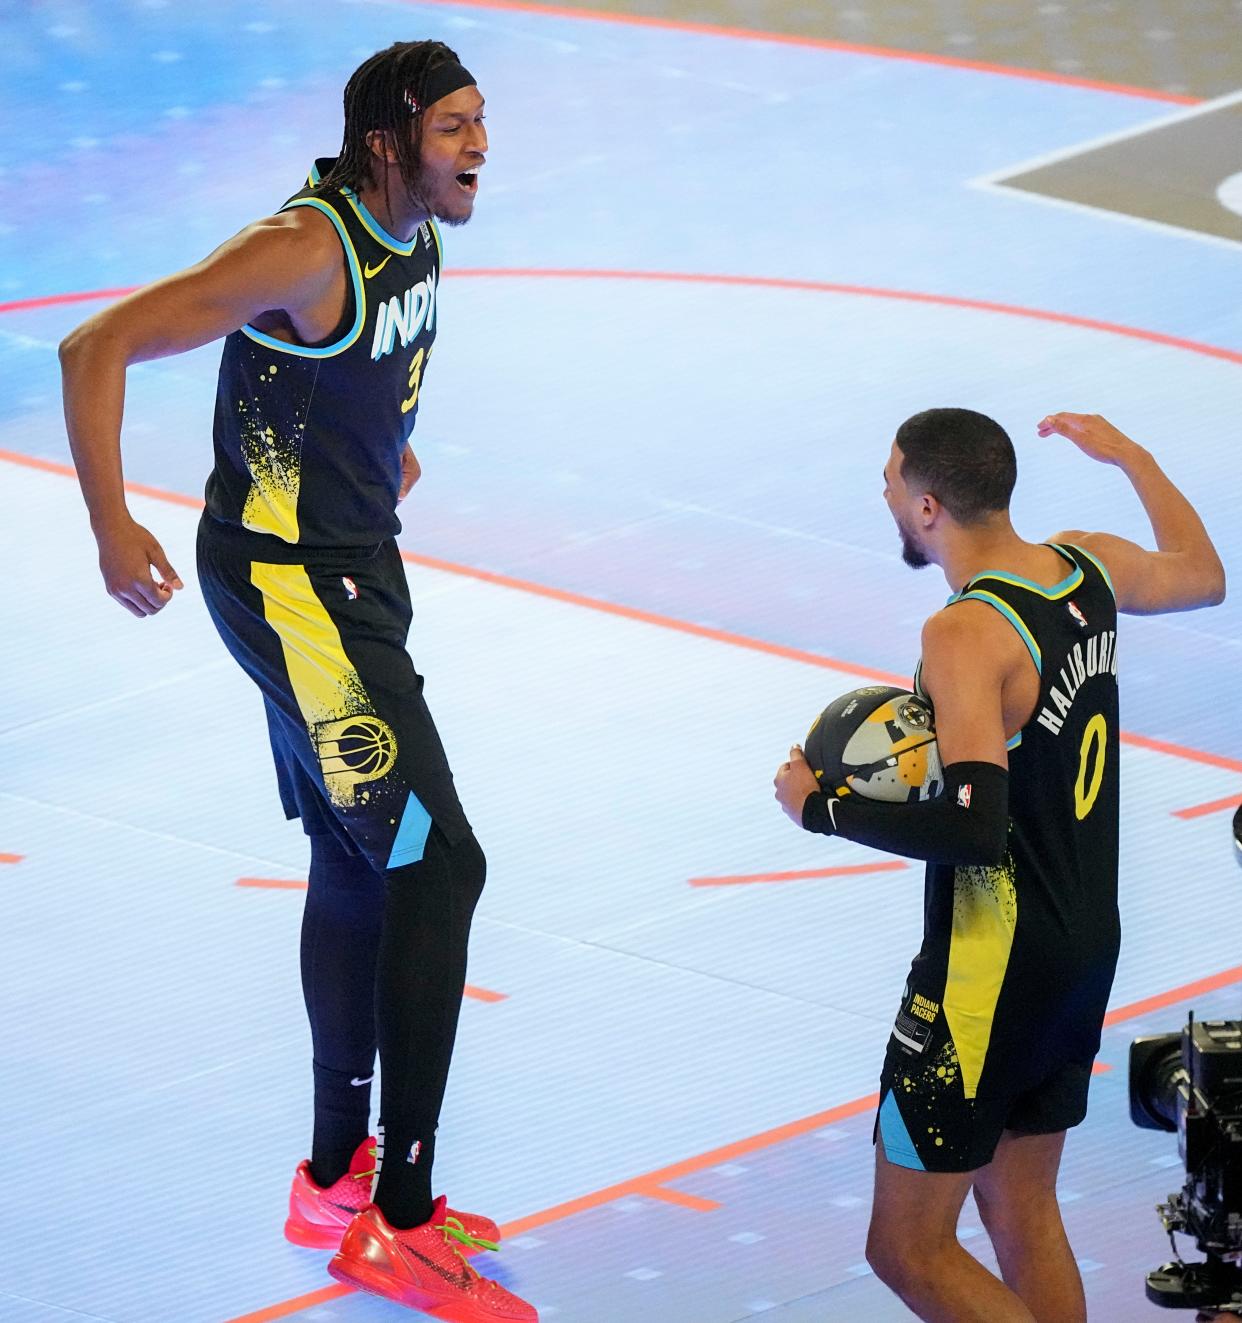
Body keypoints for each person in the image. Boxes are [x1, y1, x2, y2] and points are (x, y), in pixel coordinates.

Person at [59, 40, 536, 1323]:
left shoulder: (414, 227)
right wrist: (112, 526)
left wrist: (380, 459)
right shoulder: (306, 248)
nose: (477, 146)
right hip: (291, 590)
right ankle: (401, 1222)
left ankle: (333, 1180)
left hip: (346, 570)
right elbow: (93, 347)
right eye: (453, 127)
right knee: (440, 863)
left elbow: (359, 380)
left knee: (354, 851)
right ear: (388, 139)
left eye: (480, 121)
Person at [774, 409, 1225, 1323]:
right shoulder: (1085, 565)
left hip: (991, 966)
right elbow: (1204, 576)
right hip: (1085, 939)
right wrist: (1132, 454)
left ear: (930, 504)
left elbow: (975, 827)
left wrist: (824, 807)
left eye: (893, 479)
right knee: (1020, 1208)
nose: (888, 492)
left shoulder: (967, 633)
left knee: (906, 1247)